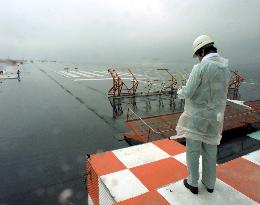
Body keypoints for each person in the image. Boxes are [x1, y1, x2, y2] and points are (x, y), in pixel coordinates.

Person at [170, 35, 231, 194]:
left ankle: (193, 183)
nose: (198, 58)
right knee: (210, 151)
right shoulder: (225, 68)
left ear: (202, 51)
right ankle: (209, 184)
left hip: (197, 117)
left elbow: (189, 91)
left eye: (198, 55)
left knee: (193, 150)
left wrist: (179, 92)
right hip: (215, 118)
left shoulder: (200, 68)